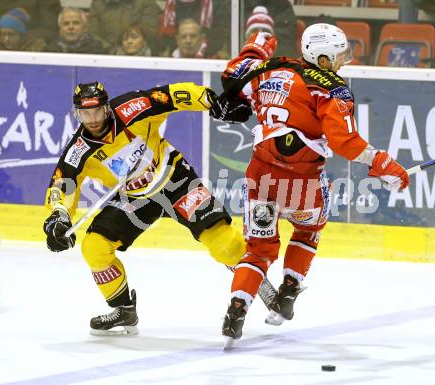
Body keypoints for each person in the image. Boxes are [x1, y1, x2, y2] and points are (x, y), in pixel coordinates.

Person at [219, 25, 410, 347]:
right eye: (337, 56)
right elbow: (345, 142)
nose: (342, 62)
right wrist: (382, 163)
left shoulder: (271, 68)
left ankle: (236, 309)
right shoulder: (331, 88)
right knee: (308, 231)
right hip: (302, 182)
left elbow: (231, 77)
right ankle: (290, 289)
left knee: (259, 251)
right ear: (321, 57)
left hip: (260, 176)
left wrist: (257, 47)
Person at [43, 81, 252, 335]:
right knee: (94, 246)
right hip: (134, 199)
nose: (92, 119)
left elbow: (173, 95)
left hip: (174, 179)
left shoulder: (132, 108)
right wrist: (59, 217)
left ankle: (251, 273)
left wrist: (211, 102)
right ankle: (124, 310)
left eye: (96, 111)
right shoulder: (78, 151)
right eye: (85, 113)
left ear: (107, 108)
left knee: (225, 245)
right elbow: (63, 185)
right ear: (77, 113)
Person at [88, 0, 161, 54]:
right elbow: (93, 35)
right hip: (105, 55)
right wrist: (111, 51)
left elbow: (149, 33)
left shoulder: (147, 2)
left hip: (140, 57)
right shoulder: (98, 3)